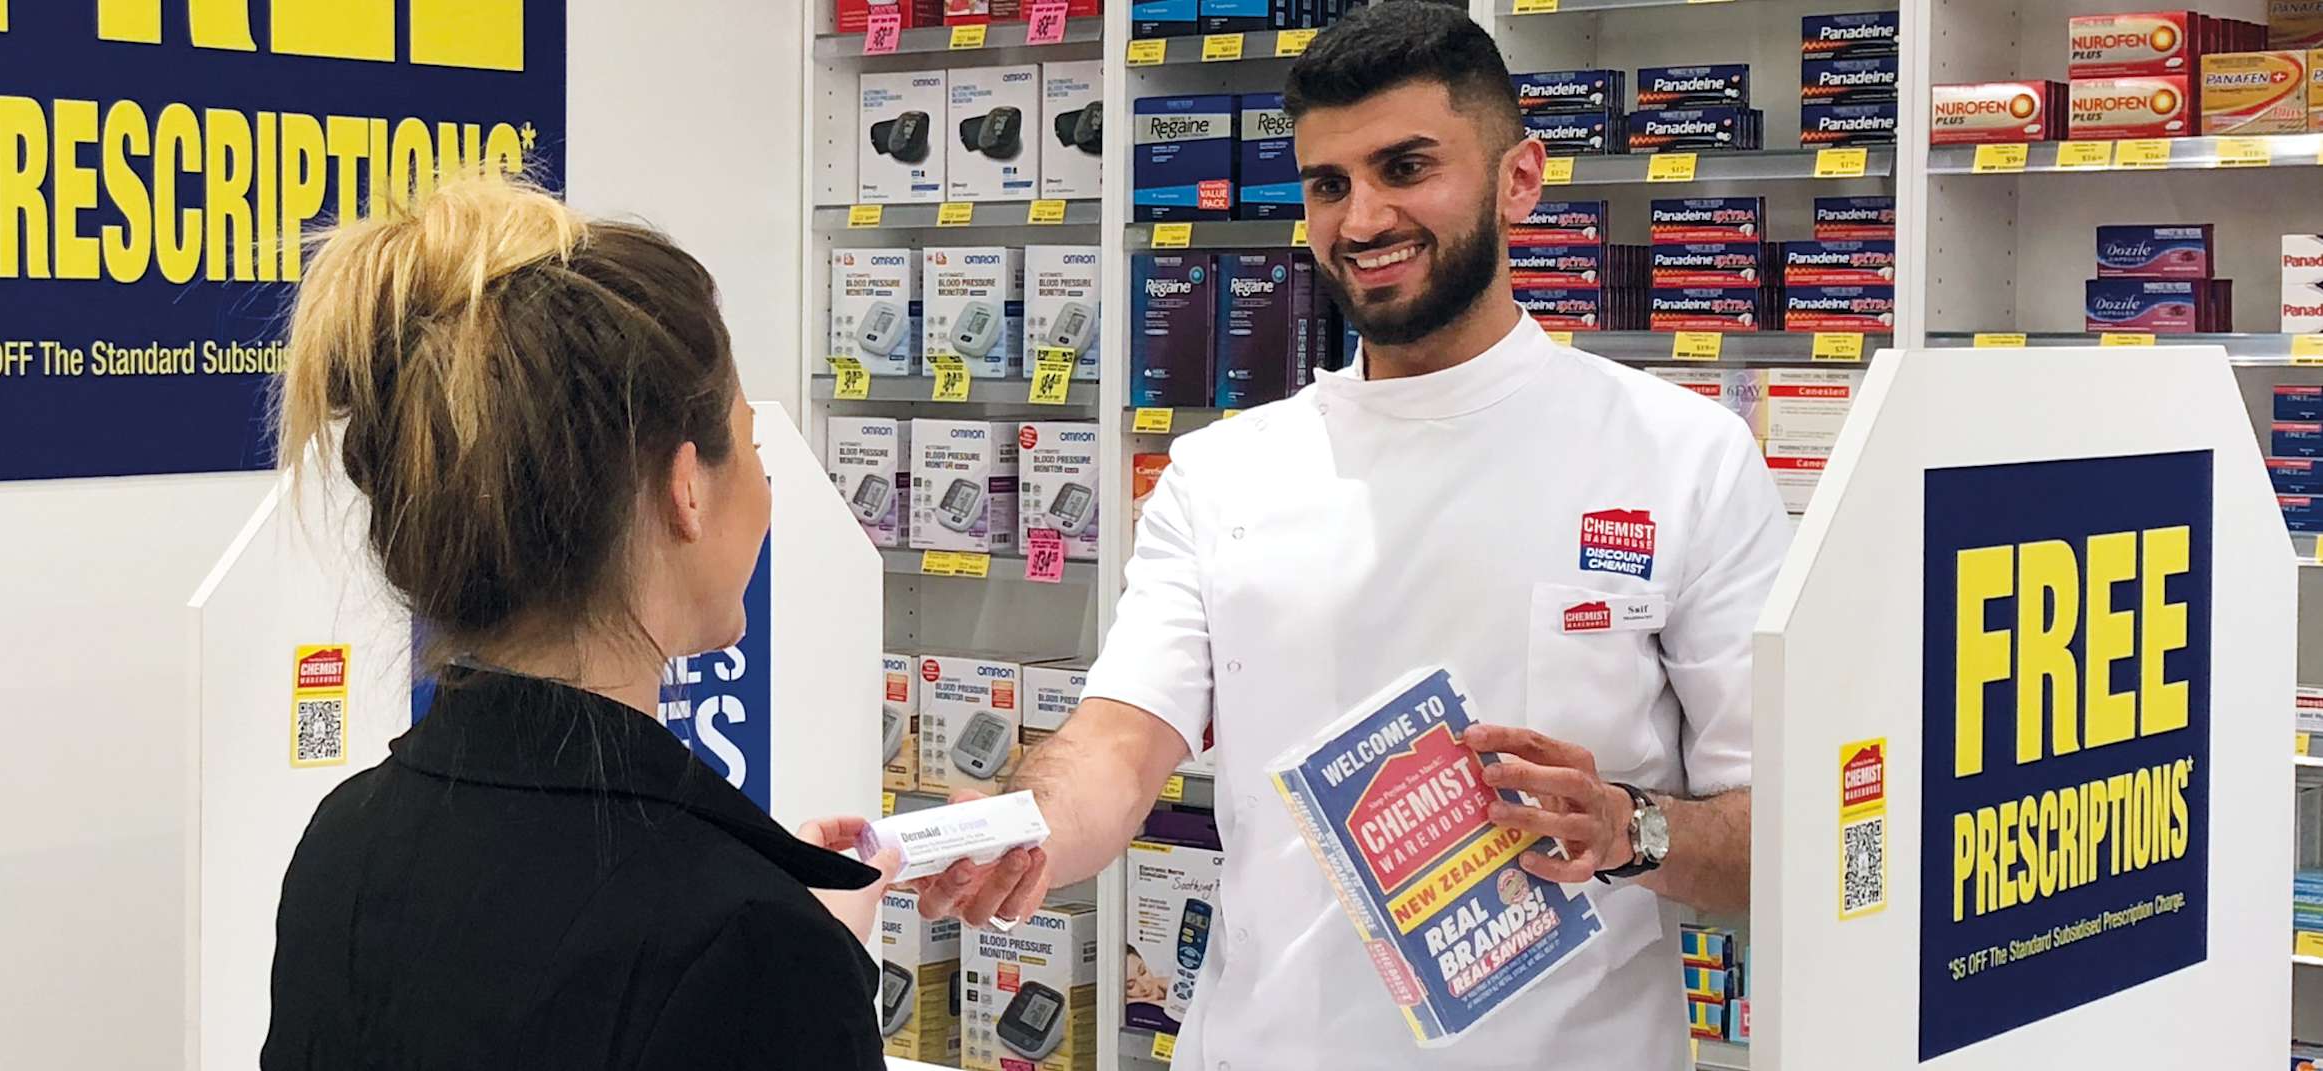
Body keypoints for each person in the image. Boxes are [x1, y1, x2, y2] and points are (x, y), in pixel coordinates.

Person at [914, 5, 1792, 1069]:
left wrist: (1628, 829)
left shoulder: (1683, 456)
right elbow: (1118, 743)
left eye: (1405, 168)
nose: (1362, 218)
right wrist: (1030, 824)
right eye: (1328, 184)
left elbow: (1782, 837)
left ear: (1519, 179)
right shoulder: (1223, 472)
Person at [259, 174, 899, 1070]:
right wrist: (801, 957)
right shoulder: (751, 942)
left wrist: (781, 918)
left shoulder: (342, 848)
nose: (763, 487)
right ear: (686, 489)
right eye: (751, 447)